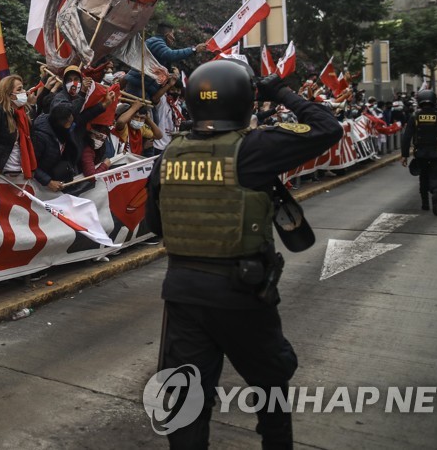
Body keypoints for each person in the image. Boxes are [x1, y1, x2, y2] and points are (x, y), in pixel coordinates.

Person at [146, 60, 342, 449]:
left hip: (182, 293)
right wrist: (281, 92)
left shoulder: (169, 156)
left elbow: (157, 225)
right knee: (271, 385)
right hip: (241, 292)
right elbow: (327, 127)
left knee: (185, 401)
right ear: (243, 103)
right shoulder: (253, 149)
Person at [400, 89, 437, 216]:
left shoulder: (415, 116)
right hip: (436, 152)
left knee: (423, 176)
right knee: (436, 175)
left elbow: (406, 137)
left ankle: (425, 203)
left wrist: (404, 155)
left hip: (420, 153)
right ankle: (436, 193)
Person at [0, 75, 37, 179]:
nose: (24, 92)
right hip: (1, 172)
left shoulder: (24, 113)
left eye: (23, 88)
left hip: (20, 171)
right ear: (9, 94)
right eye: (19, 89)